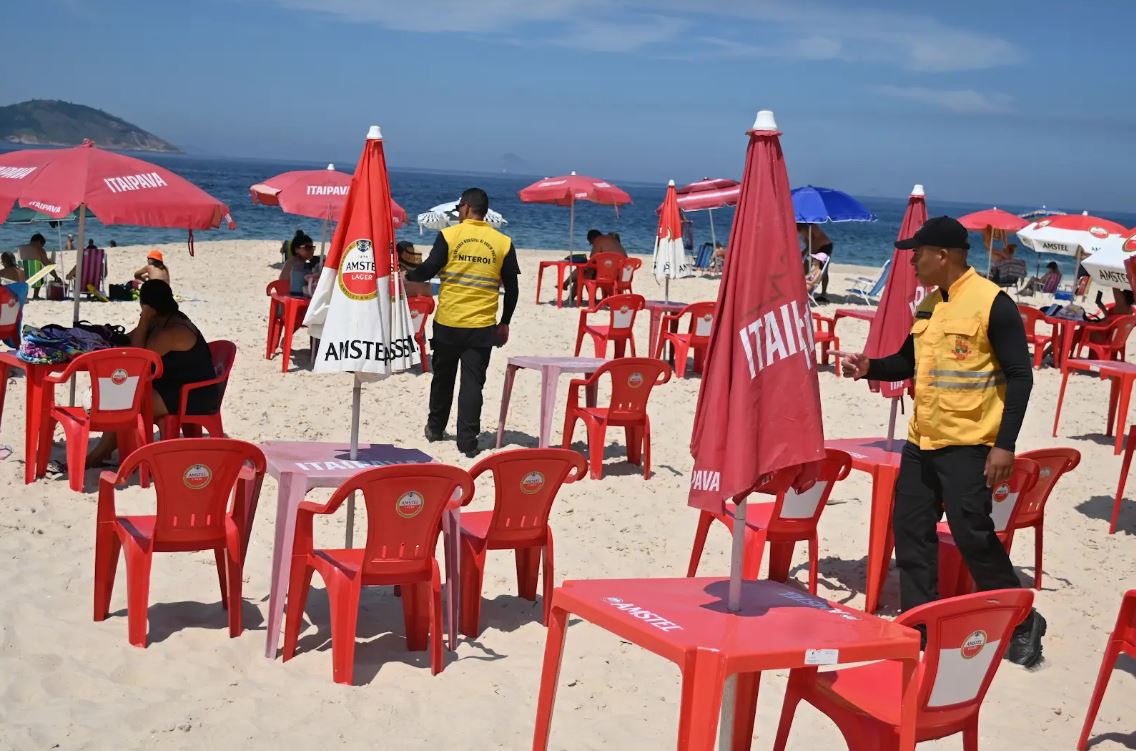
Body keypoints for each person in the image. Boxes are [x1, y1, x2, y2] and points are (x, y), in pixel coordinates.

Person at [841, 216, 1043, 667]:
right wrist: (870, 366)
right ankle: (921, 624)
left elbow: (1020, 377)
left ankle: (1023, 618)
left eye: (918, 252)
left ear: (943, 256)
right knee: (910, 531)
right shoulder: (930, 305)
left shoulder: (994, 304)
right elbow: (905, 362)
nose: (911, 260)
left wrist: (1004, 445)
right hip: (922, 442)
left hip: (970, 444)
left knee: (973, 536)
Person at [405, 187, 519, 458]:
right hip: (481, 326)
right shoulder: (503, 243)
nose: (457, 214)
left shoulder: (449, 236)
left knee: (443, 378)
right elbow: (512, 289)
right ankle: (467, 442)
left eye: (458, 210)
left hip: (448, 322)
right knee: (472, 384)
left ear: (466, 207)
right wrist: (504, 322)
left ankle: (435, 429)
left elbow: (428, 270)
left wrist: (406, 275)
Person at [85, 280, 220, 467]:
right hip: (174, 387)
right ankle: (106, 449)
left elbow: (139, 359)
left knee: (126, 402)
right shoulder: (164, 321)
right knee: (125, 397)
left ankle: (100, 453)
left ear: (148, 307)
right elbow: (130, 339)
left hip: (194, 395)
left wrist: (144, 319)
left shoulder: (173, 331)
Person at [17, 232, 60, 300]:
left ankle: (24, 295)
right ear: (39, 242)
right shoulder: (39, 249)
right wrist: (56, 277)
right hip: (35, 277)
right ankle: (35, 295)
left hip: (21, 275)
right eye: (42, 245)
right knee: (40, 269)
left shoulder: (21, 248)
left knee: (32, 266)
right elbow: (47, 265)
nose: (42, 246)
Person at [797, 223, 833, 302]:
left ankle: (822, 294)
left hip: (824, 246)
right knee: (808, 266)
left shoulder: (804, 225)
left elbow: (815, 239)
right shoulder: (803, 225)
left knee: (822, 270)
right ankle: (805, 287)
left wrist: (809, 251)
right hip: (817, 247)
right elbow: (808, 241)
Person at [279, 232, 318, 296]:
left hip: (288, 292)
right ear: (296, 249)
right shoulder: (296, 262)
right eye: (307, 247)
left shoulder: (294, 260)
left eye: (312, 247)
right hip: (290, 294)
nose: (311, 251)